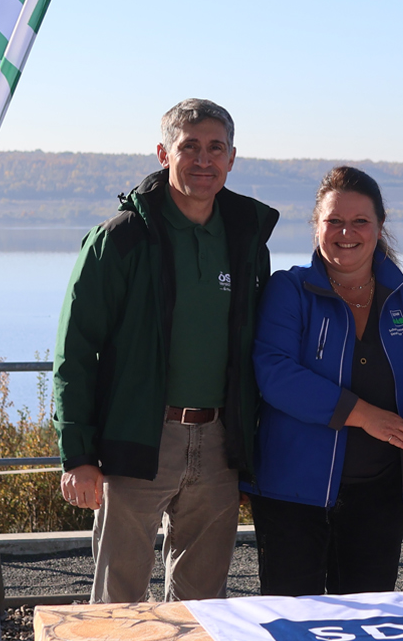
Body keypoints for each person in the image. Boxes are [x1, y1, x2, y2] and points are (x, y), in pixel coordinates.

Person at [53, 98, 278, 602]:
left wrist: (247, 451)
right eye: (190, 147)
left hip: (219, 442)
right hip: (137, 436)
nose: (204, 160)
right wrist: (79, 455)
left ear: (232, 158)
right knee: (119, 599)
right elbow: (75, 351)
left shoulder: (246, 241)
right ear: (163, 153)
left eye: (215, 148)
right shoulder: (121, 239)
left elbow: (254, 351)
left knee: (202, 604)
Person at [244, 166, 403, 595]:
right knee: (293, 621)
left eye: (359, 222)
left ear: (379, 226)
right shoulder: (289, 291)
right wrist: (363, 414)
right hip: (291, 492)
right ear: (317, 225)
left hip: (382, 494)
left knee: (367, 618)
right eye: (333, 221)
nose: (345, 232)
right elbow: (274, 372)